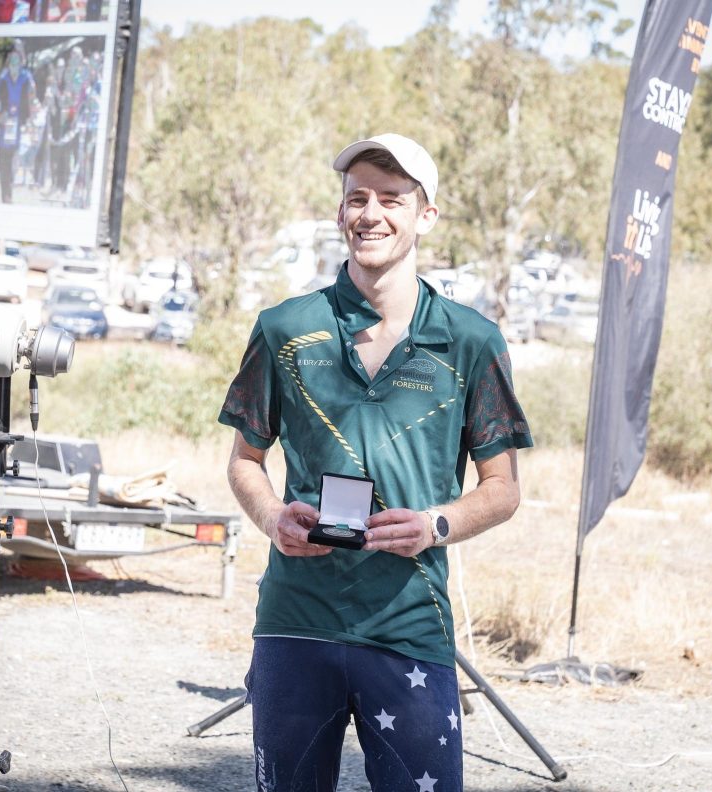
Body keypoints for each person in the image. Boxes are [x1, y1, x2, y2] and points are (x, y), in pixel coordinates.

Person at [219, 133, 533, 791]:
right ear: (340, 213)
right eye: (357, 197)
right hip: (295, 624)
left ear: (426, 217)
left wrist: (435, 526)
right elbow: (245, 460)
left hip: (409, 625)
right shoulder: (284, 329)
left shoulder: (471, 341)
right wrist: (274, 516)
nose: (371, 213)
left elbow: (502, 489)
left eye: (391, 198)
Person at [0, 38, 35, 203]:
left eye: (19, 55)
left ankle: (10, 192)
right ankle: (5, 196)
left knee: (14, 163)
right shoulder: (2, 79)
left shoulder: (27, 78)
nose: (15, 59)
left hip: (20, 127)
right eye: (13, 56)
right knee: (4, 164)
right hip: (5, 127)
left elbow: (32, 100)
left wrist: (29, 122)